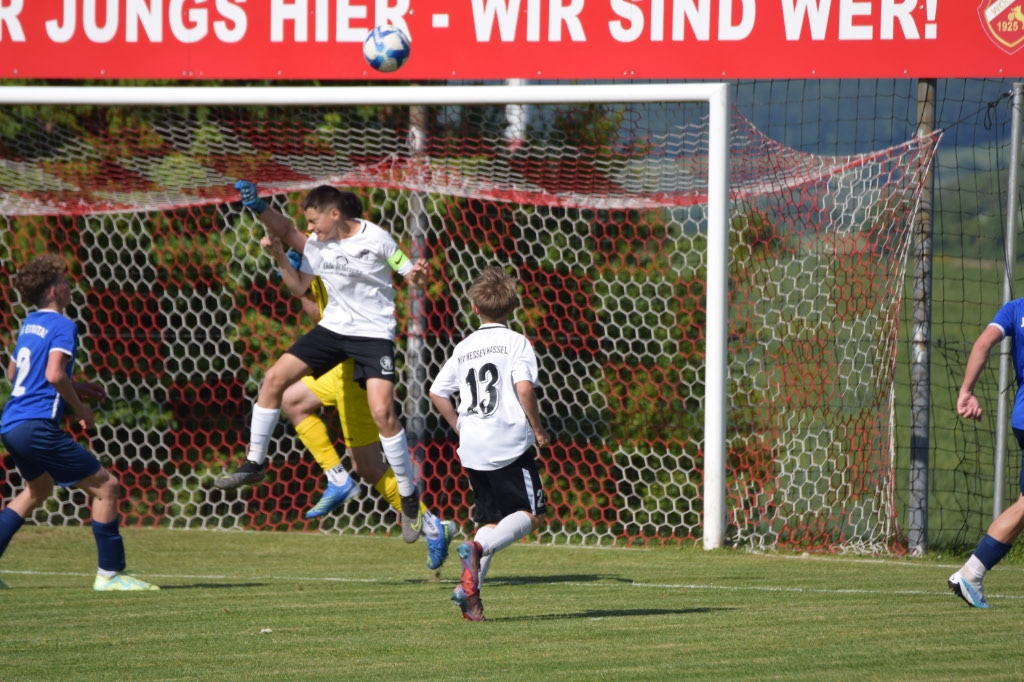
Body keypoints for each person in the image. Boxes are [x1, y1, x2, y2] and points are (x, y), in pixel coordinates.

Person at [214, 181, 434, 546]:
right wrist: (259, 208)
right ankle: (255, 462)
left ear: (335, 214)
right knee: (274, 379)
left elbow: (412, 275)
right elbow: (287, 240)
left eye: (314, 221)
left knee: (383, 414)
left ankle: (409, 498)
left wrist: (420, 275)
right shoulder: (317, 244)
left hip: (372, 335)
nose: (310, 228)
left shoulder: (377, 239)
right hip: (333, 331)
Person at [264, 236, 456, 570]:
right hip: (338, 370)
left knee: (367, 465)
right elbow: (319, 316)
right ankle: (337, 477)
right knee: (292, 400)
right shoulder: (317, 258)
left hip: (355, 372)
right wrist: (303, 287)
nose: (310, 230)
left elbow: (333, 323)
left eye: (313, 221)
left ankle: (431, 525)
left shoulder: (342, 259)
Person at [0, 254, 159, 591]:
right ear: (54, 290)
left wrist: (79, 386)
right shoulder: (63, 325)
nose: (68, 285)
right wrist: (81, 408)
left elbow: (14, 373)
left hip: (11, 423)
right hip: (37, 424)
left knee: (36, 490)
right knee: (107, 487)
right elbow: (54, 374)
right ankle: (110, 574)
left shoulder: (29, 323)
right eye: (64, 281)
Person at [428, 266, 551, 621]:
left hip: (473, 446)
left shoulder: (464, 347)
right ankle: (477, 548)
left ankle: (469, 594)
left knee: (493, 519)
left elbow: (437, 392)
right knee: (532, 514)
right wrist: (538, 429)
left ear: (474, 307)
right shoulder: (516, 342)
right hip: (507, 441)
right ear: (513, 306)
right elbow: (524, 388)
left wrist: (459, 426)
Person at [949, 298, 1024, 609]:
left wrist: (966, 391)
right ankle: (971, 572)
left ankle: (973, 573)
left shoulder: (1016, 309)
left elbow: (983, 343)